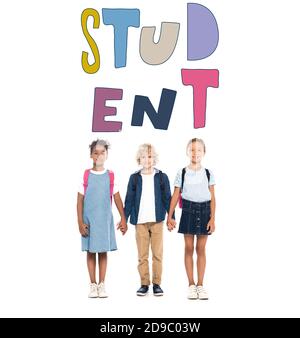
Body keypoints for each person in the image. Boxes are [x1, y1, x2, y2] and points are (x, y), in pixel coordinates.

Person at [77, 139, 127, 298]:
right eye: (95, 153)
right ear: (91, 155)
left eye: (102, 152)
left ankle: (102, 284)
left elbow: (117, 198)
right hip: (89, 221)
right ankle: (92, 284)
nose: (99, 155)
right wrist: (80, 222)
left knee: (103, 252)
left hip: (104, 220)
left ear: (107, 155)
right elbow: (79, 201)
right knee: (91, 252)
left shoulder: (110, 176)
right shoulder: (86, 175)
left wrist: (123, 218)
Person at [167, 138, 216, 300]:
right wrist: (170, 215)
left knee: (201, 249)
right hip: (188, 210)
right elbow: (175, 195)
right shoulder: (182, 172)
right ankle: (191, 284)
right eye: (192, 150)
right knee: (188, 247)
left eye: (199, 150)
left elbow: (213, 197)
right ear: (187, 152)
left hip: (205, 211)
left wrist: (212, 218)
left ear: (204, 152)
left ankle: (200, 285)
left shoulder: (208, 173)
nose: (195, 153)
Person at [124, 144, 174, 296]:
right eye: (144, 157)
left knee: (158, 254)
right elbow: (129, 199)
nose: (147, 160)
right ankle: (144, 283)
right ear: (139, 159)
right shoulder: (134, 178)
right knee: (142, 255)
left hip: (157, 220)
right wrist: (124, 219)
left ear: (155, 159)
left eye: (150, 156)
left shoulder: (161, 177)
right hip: (140, 222)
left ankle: (157, 284)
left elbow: (168, 198)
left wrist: (171, 217)